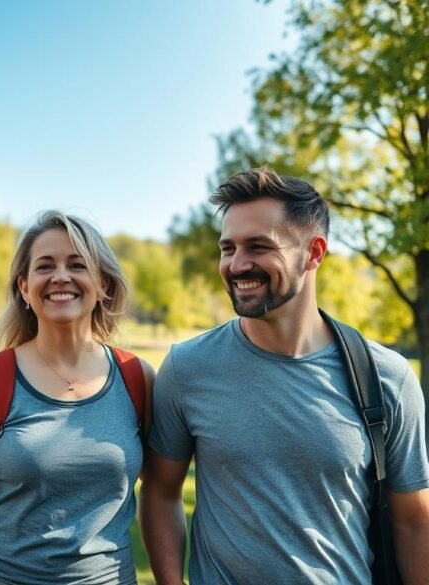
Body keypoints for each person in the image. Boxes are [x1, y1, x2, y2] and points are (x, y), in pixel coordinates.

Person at [140, 168, 429, 584]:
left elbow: (413, 521)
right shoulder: (187, 368)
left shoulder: (387, 378)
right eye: (227, 248)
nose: (237, 265)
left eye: (258, 247)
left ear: (313, 253)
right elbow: (161, 491)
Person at [0, 210, 152, 585]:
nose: (60, 276)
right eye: (45, 266)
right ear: (25, 288)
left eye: (77, 264)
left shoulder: (137, 379)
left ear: (104, 285)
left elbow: (161, 494)